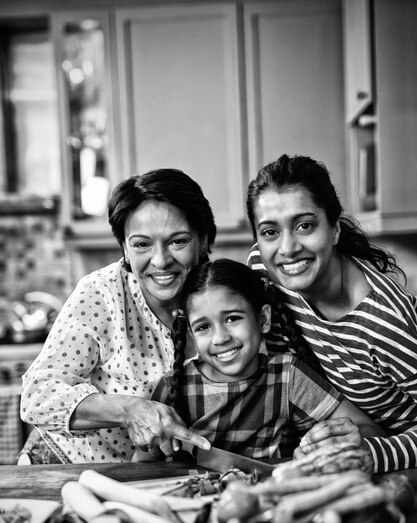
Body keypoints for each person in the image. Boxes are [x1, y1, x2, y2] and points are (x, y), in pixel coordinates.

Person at [18, 169, 216, 464]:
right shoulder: (101, 294)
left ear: (203, 240)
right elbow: (36, 396)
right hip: (67, 467)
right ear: (124, 247)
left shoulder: (222, 294)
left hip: (154, 478)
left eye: (178, 241)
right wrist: (129, 409)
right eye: (141, 244)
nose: (160, 260)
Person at [246, 153, 417, 472]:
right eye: (270, 232)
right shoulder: (264, 271)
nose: (287, 248)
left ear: (335, 229)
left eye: (305, 225)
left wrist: (376, 453)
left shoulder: (386, 322)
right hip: (338, 452)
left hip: (399, 462)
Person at [150, 258, 381, 459]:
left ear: (263, 319)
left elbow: (370, 430)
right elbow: (143, 463)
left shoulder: (287, 376)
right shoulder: (173, 387)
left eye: (232, 319)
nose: (220, 338)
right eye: (203, 327)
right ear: (190, 334)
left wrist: (330, 441)